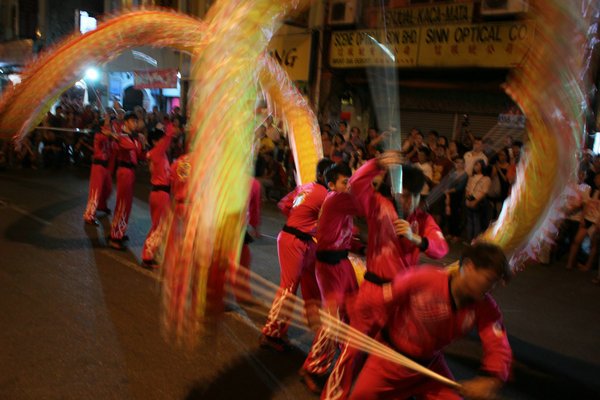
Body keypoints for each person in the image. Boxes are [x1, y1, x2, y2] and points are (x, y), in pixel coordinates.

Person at [323, 152, 448, 400]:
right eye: (402, 194)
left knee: (393, 358)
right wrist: (377, 163)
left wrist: (417, 239)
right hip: (372, 292)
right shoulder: (378, 204)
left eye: (412, 196)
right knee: (351, 352)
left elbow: (441, 248)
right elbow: (355, 185)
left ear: (419, 196)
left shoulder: (423, 220)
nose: (406, 200)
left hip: (401, 300)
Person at [349, 242, 513, 400]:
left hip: (428, 367)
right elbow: (379, 301)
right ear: (469, 266)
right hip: (389, 360)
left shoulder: (485, 307)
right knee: (360, 397)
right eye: (489, 280)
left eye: (495, 283)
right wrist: (344, 308)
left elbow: (498, 345)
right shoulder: (424, 278)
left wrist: (492, 378)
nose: (491, 288)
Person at [259, 158, 335, 351]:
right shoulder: (326, 195)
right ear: (324, 176)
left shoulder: (305, 187)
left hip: (300, 239)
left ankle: (314, 321)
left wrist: (299, 219)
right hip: (295, 241)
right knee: (289, 288)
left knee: (312, 278)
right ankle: (271, 332)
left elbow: (284, 205)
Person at [300, 163, 359, 393]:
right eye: (345, 182)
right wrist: (375, 167)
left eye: (350, 182)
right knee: (332, 321)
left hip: (342, 263)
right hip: (329, 267)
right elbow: (364, 204)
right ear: (332, 185)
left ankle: (346, 359)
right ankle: (312, 367)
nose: (349, 186)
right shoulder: (335, 199)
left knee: (351, 313)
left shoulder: (339, 202)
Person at [141, 121, 178, 268]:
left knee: (159, 226)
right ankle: (147, 255)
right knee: (159, 226)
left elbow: (168, 174)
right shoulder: (157, 153)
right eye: (161, 140)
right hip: (161, 194)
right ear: (155, 141)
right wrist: (170, 130)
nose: (164, 142)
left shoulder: (160, 155)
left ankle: (151, 253)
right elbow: (167, 140)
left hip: (160, 193)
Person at [108, 112, 145, 250]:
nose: (135, 123)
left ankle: (119, 232)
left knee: (127, 205)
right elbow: (129, 147)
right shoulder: (121, 137)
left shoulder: (132, 137)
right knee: (122, 204)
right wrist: (137, 140)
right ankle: (115, 237)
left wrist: (142, 142)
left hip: (131, 172)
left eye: (136, 121)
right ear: (126, 122)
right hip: (124, 172)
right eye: (133, 121)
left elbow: (140, 154)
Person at [83, 113, 114, 226]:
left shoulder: (108, 137)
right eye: (108, 125)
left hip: (105, 167)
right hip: (98, 166)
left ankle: (101, 206)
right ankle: (89, 215)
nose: (110, 127)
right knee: (95, 192)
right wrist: (108, 131)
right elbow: (102, 138)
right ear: (102, 127)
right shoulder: (98, 136)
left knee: (108, 188)